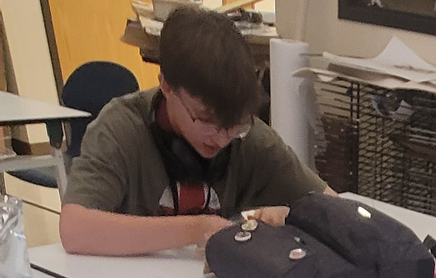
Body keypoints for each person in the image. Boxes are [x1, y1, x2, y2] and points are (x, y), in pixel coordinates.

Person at [59, 6, 333, 256]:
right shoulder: (121, 129)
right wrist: (198, 228)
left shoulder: (248, 138)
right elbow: (75, 230)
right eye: (206, 120)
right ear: (166, 86)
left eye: (235, 123)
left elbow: (333, 207)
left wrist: (288, 216)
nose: (224, 137)